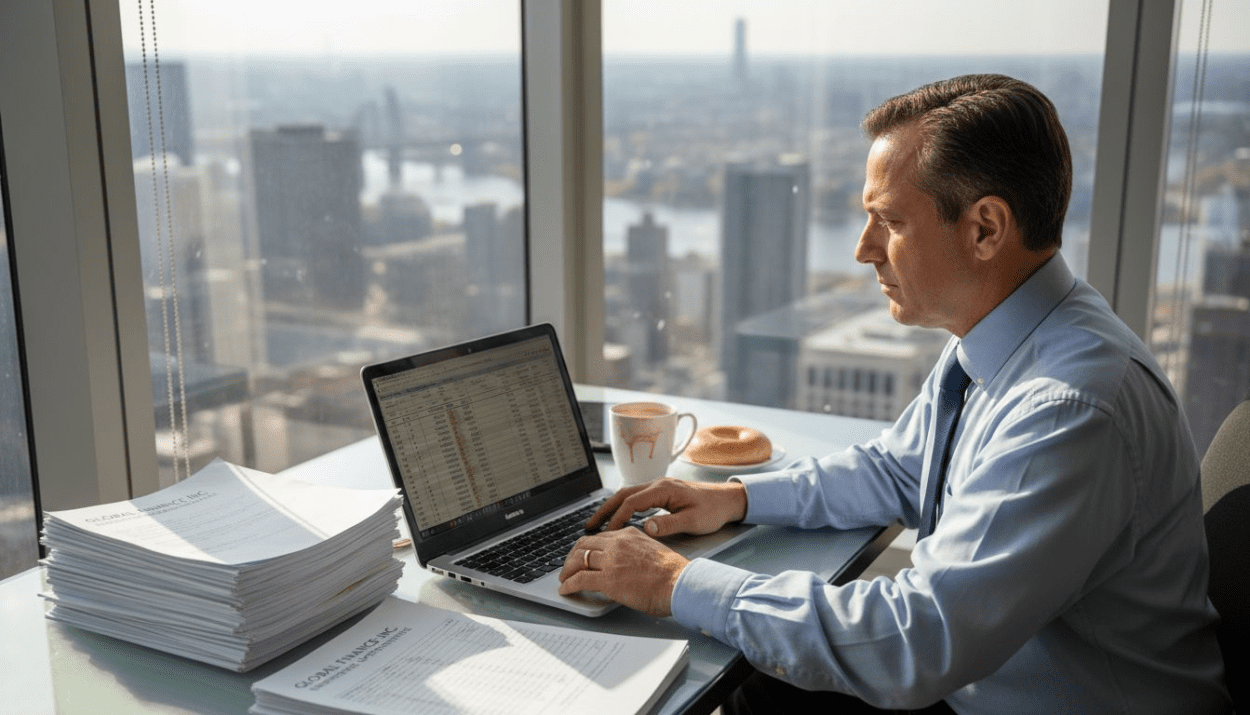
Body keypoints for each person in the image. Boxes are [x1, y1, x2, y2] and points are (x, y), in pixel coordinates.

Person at [558, 74, 1232, 714]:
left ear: (986, 228)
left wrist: (673, 582)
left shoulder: (1069, 408)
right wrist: (734, 497)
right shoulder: (1004, 336)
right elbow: (898, 466)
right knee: (762, 686)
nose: (862, 249)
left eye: (888, 220)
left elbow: (918, 639)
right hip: (979, 685)